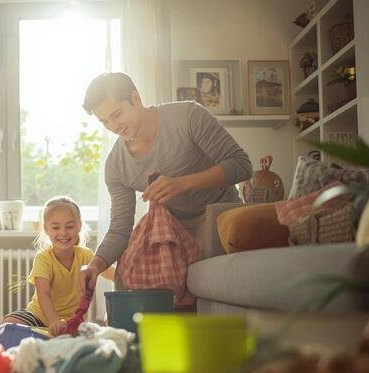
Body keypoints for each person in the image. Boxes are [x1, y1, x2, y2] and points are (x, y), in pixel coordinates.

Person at [77, 72, 252, 296]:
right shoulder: (116, 165)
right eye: (104, 121)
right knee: (128, 273)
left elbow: (241, 164)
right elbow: (120, 229)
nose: (114, 126)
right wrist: (95, 265)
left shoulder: (188, 115)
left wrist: (183, 183)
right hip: (170, 230)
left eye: (117, 114)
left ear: (136, 98)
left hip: (218, 217)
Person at [2, 196, 94, 336]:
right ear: (46, 229)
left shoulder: (86, 255)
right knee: (9, 323)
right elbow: (43, 293)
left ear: (79, 226)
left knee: (89, 334)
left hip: (72, 321)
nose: (63, 233)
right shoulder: (43, 258)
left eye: (69, 226)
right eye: (56, 227)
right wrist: (54, 321)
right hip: (39, 316)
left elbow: (110, 272)